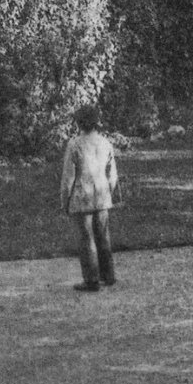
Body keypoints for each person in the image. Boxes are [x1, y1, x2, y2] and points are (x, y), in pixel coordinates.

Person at [60, 103, 120, 291]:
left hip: (81, 196)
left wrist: (64, 200)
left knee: (86, 238)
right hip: (102, 196)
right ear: (96, 122)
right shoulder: (105, 143)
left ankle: (92, 280)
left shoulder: (74, 144)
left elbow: (68, 177)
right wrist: (114, 193)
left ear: (79, 123)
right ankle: (108, 275)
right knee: (103, 235)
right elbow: (112, 173)